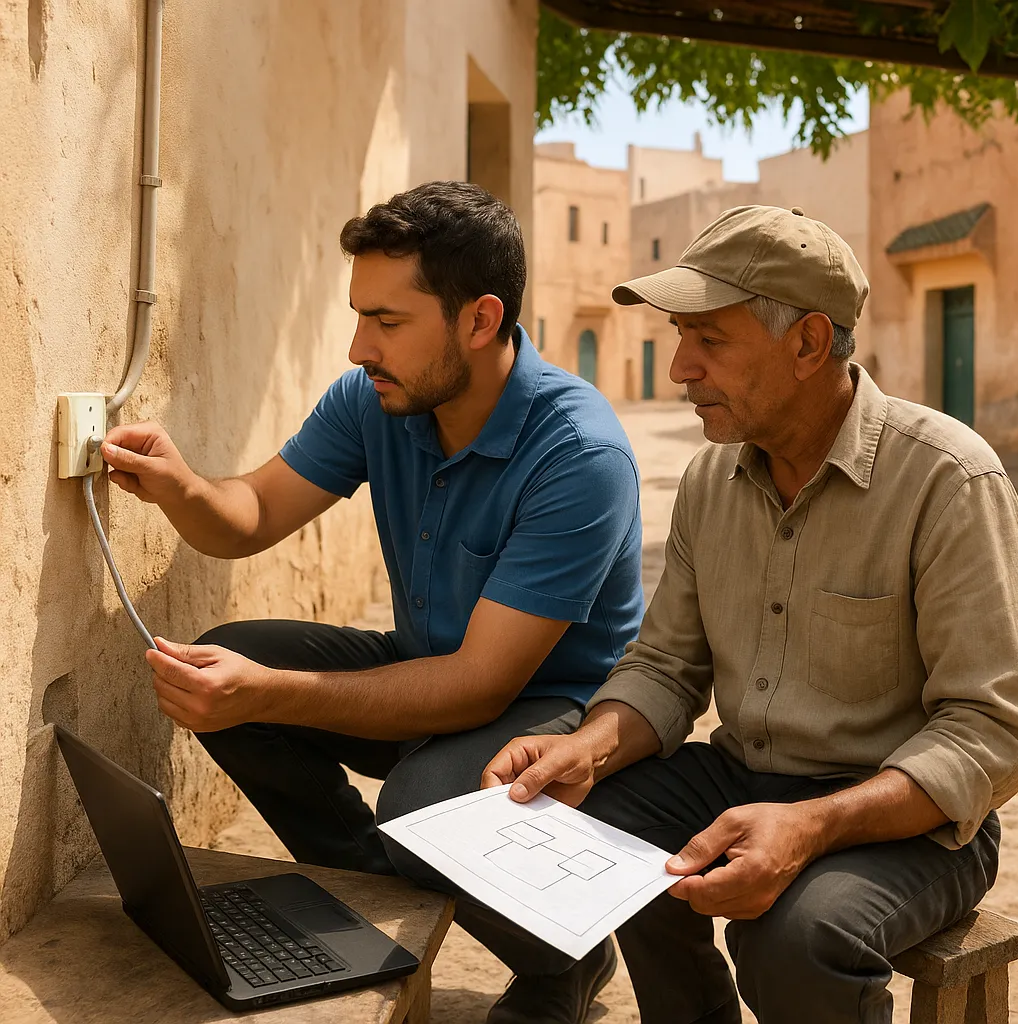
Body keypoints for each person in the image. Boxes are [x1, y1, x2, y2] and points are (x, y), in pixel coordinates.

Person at [99, 181, 642, 1015]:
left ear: (480, 320)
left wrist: (267, 692)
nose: (359, 347)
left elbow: (482, 685)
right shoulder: (377, 399)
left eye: (387, 322)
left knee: (420, 797)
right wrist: (179, 487)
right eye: (359, 316)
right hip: (434, 669)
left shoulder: (579, 453)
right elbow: (250, 516)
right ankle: (377, 886)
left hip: (553, 709)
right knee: (238, 648)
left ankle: (560, 956)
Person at [482, 205, 1018, 1024]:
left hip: (908, 818)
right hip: (744, 777)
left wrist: (810, 826)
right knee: (591, 828)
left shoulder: (949, 481)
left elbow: (988, 733)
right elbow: (666, 666)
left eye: (710, 341)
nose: (679, 370)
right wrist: (584, 751)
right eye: (678, 337)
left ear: (808, 344)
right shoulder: (711, 482)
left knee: (797, 939)